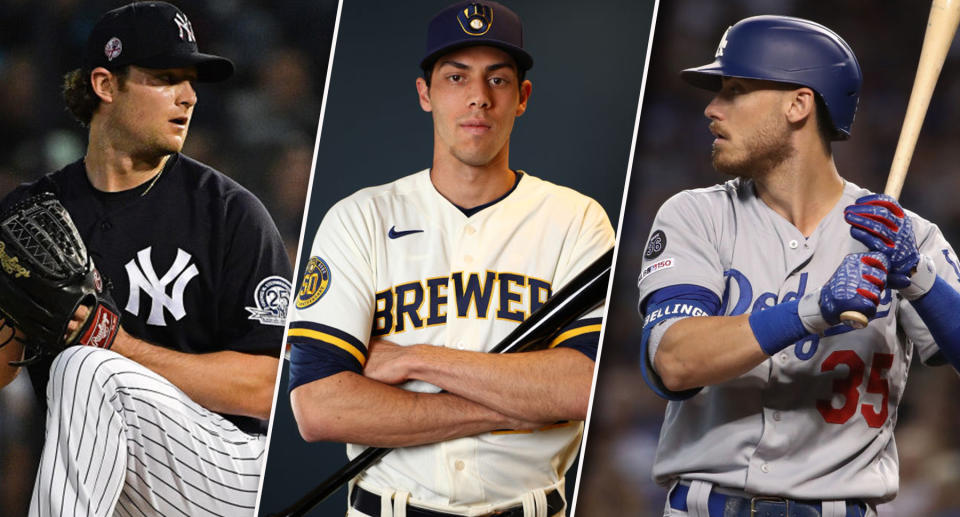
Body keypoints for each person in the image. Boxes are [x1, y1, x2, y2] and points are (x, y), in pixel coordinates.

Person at [286, 1, 614, 516]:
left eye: (498, 80)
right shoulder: (358, 218)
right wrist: (514, 404)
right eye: (457, 78)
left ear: (522, 97)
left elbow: (582, 388)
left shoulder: (577, 219)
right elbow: (319, 407)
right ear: (426, 93)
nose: (479, 98)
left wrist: (415, 358)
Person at [636, 15, 960, 517]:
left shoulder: (904, 238)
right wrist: (814, 310)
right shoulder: (695, 215)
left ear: (798, 104)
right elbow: (674, 363)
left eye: (735, 90)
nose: (711, 108)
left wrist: (918, 277)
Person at [0, 2, 292, 516]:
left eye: (191, 80)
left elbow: (272, 389)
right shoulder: (33, 215)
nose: (188, 96)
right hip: (107, 478)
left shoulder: (229, 213)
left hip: (228, 469)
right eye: (164, 78)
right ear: (105, 85)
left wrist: (117, 344)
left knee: (86, 364)